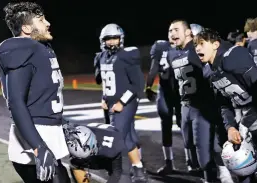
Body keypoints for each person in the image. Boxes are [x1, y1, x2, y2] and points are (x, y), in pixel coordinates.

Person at [0, 2, 70, 183]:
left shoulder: (41, 49)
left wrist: (63, 125)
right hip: (35, 138)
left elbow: (41, 97)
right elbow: (16, 102)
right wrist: (38, 147)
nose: (47, 23)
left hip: (47, 134)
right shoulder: (22, 49)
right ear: (27, 28)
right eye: (41, 20)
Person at [194, 28, 257, 183]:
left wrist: (244, 125)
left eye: (202, 44)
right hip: (241, 122)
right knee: (242, 171)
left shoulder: (233, 57)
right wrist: (230, 127)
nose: (197, 48)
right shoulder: (209, 72)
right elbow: (223, 103)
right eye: (196, 45)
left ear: (216, 44)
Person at [168, 20, 234, 183]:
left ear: (189, 32)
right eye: (170, 31)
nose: (172, 33)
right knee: (190, 146)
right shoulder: (173, 54)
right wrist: (177, 110)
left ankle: (220, 176)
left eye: (176, 30)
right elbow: (175, 86)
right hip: (185, 107)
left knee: (205, 151)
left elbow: (213, 71)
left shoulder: (196, 49)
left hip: (202, 106)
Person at [94, 23, 147, 182]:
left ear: (120, 39)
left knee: (116, 137)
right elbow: (104, 82)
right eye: (108, 39)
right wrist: (104, 98)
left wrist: (122, 102)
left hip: (127, 101)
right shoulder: (101, 57)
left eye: (114, 38)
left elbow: (138, 85)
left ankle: (117, 173)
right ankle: (138, 169)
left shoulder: (127, 55)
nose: (111, 42)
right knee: (128, 136)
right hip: (110, 103)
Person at [145, 38, 181, 175]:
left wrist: (148, 86)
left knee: (167, 126)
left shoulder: (160, 47)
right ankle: (193, 162)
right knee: (185, 126)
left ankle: (170, 163)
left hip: (167, 91)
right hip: (177, 91)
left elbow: (154, 67)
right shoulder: (178, 47)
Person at [63, 122, 132, 183]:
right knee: (74, 162)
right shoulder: (74, 132)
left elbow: (117, 173)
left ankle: (138, 169)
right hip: (96, 143)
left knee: (123, 178)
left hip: (113, 148)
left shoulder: (114, 147)